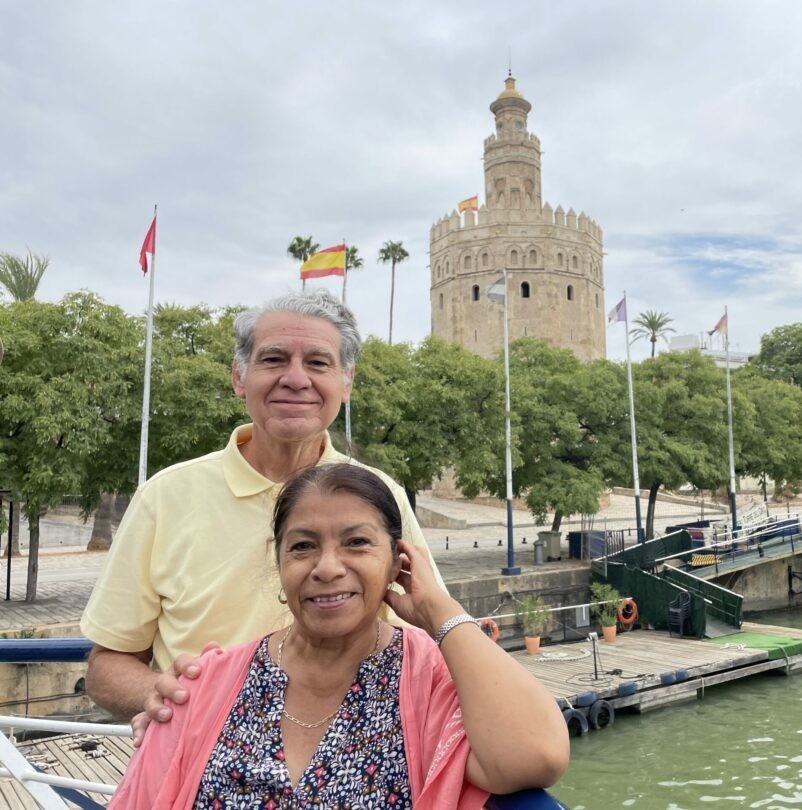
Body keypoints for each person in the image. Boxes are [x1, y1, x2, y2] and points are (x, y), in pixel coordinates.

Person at [111, 463, 569, 808]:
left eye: (357, 542)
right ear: (281, 564)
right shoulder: (206, 681)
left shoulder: (427, 681)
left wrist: (441, 612)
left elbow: (535, 755)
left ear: (398, 562)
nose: (327, 568)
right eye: (303, 546)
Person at [81, 290, 444, 724]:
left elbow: (432, 630)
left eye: (318, 362)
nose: (295, 378)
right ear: (239, 376)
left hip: (350, 764)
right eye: (273, 360)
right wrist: (167, 696)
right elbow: (106, 667)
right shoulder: (166, 496)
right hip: (202, 761)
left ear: (345, 382)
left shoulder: (381, 495)